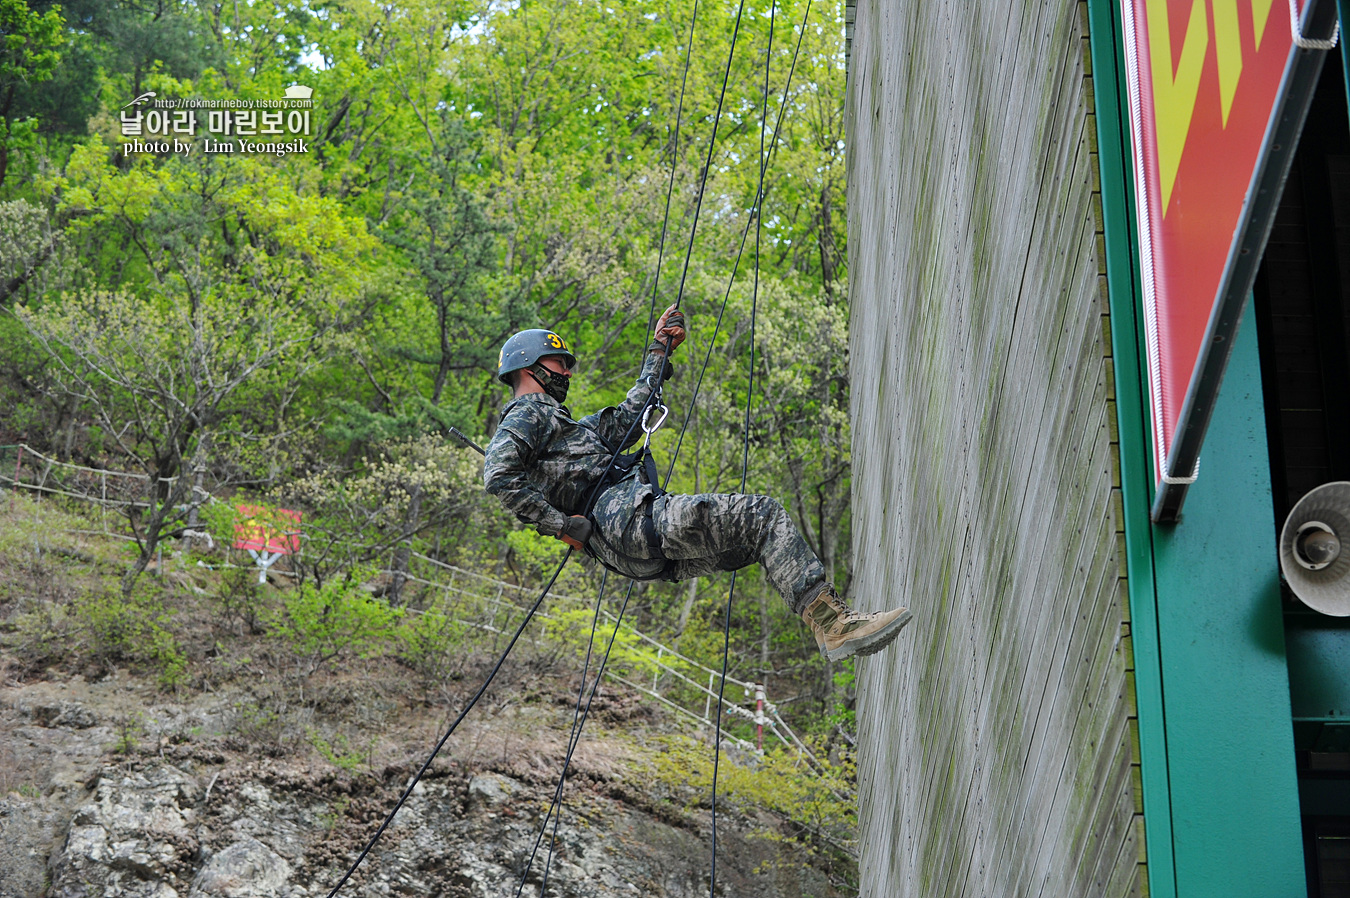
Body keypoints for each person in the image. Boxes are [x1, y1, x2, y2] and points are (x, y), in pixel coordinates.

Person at [482, 306, 912, 661]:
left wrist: (659, 349)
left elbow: (631, 415)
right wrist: (558, 523)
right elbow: (498, 472)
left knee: (756, 541)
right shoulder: (528, 412)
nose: (567, 372)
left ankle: (830, 624)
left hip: (628, 551)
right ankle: (835, 626)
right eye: (559, 363)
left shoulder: (567, 430)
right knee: (762, 518)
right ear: (531, 366)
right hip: (627, 521)